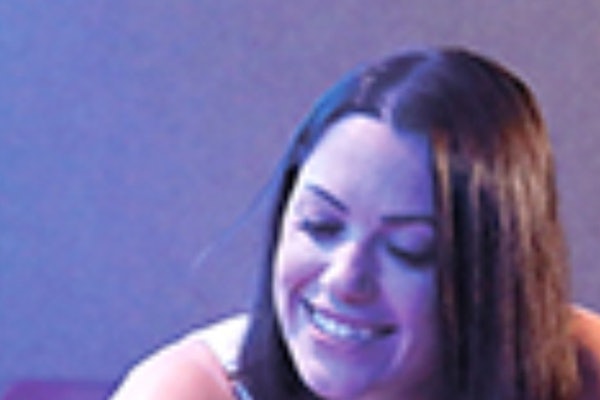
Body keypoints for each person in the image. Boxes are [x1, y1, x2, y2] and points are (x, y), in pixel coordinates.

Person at [111, 47, 600, 399]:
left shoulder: (576, 364)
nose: (345, 279)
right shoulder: (184, 390)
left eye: (409, 250)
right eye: (320, 226)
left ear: (495, 273)